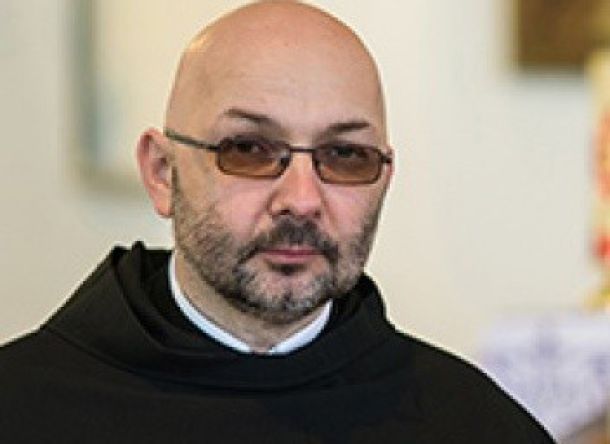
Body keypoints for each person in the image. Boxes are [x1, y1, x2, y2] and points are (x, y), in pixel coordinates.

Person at [0, 1, 555, 443]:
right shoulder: (22, 408)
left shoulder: (475, 425)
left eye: (345, 155)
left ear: (384, 178)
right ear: (163, 173)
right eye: (249, 149)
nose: (302, 200)